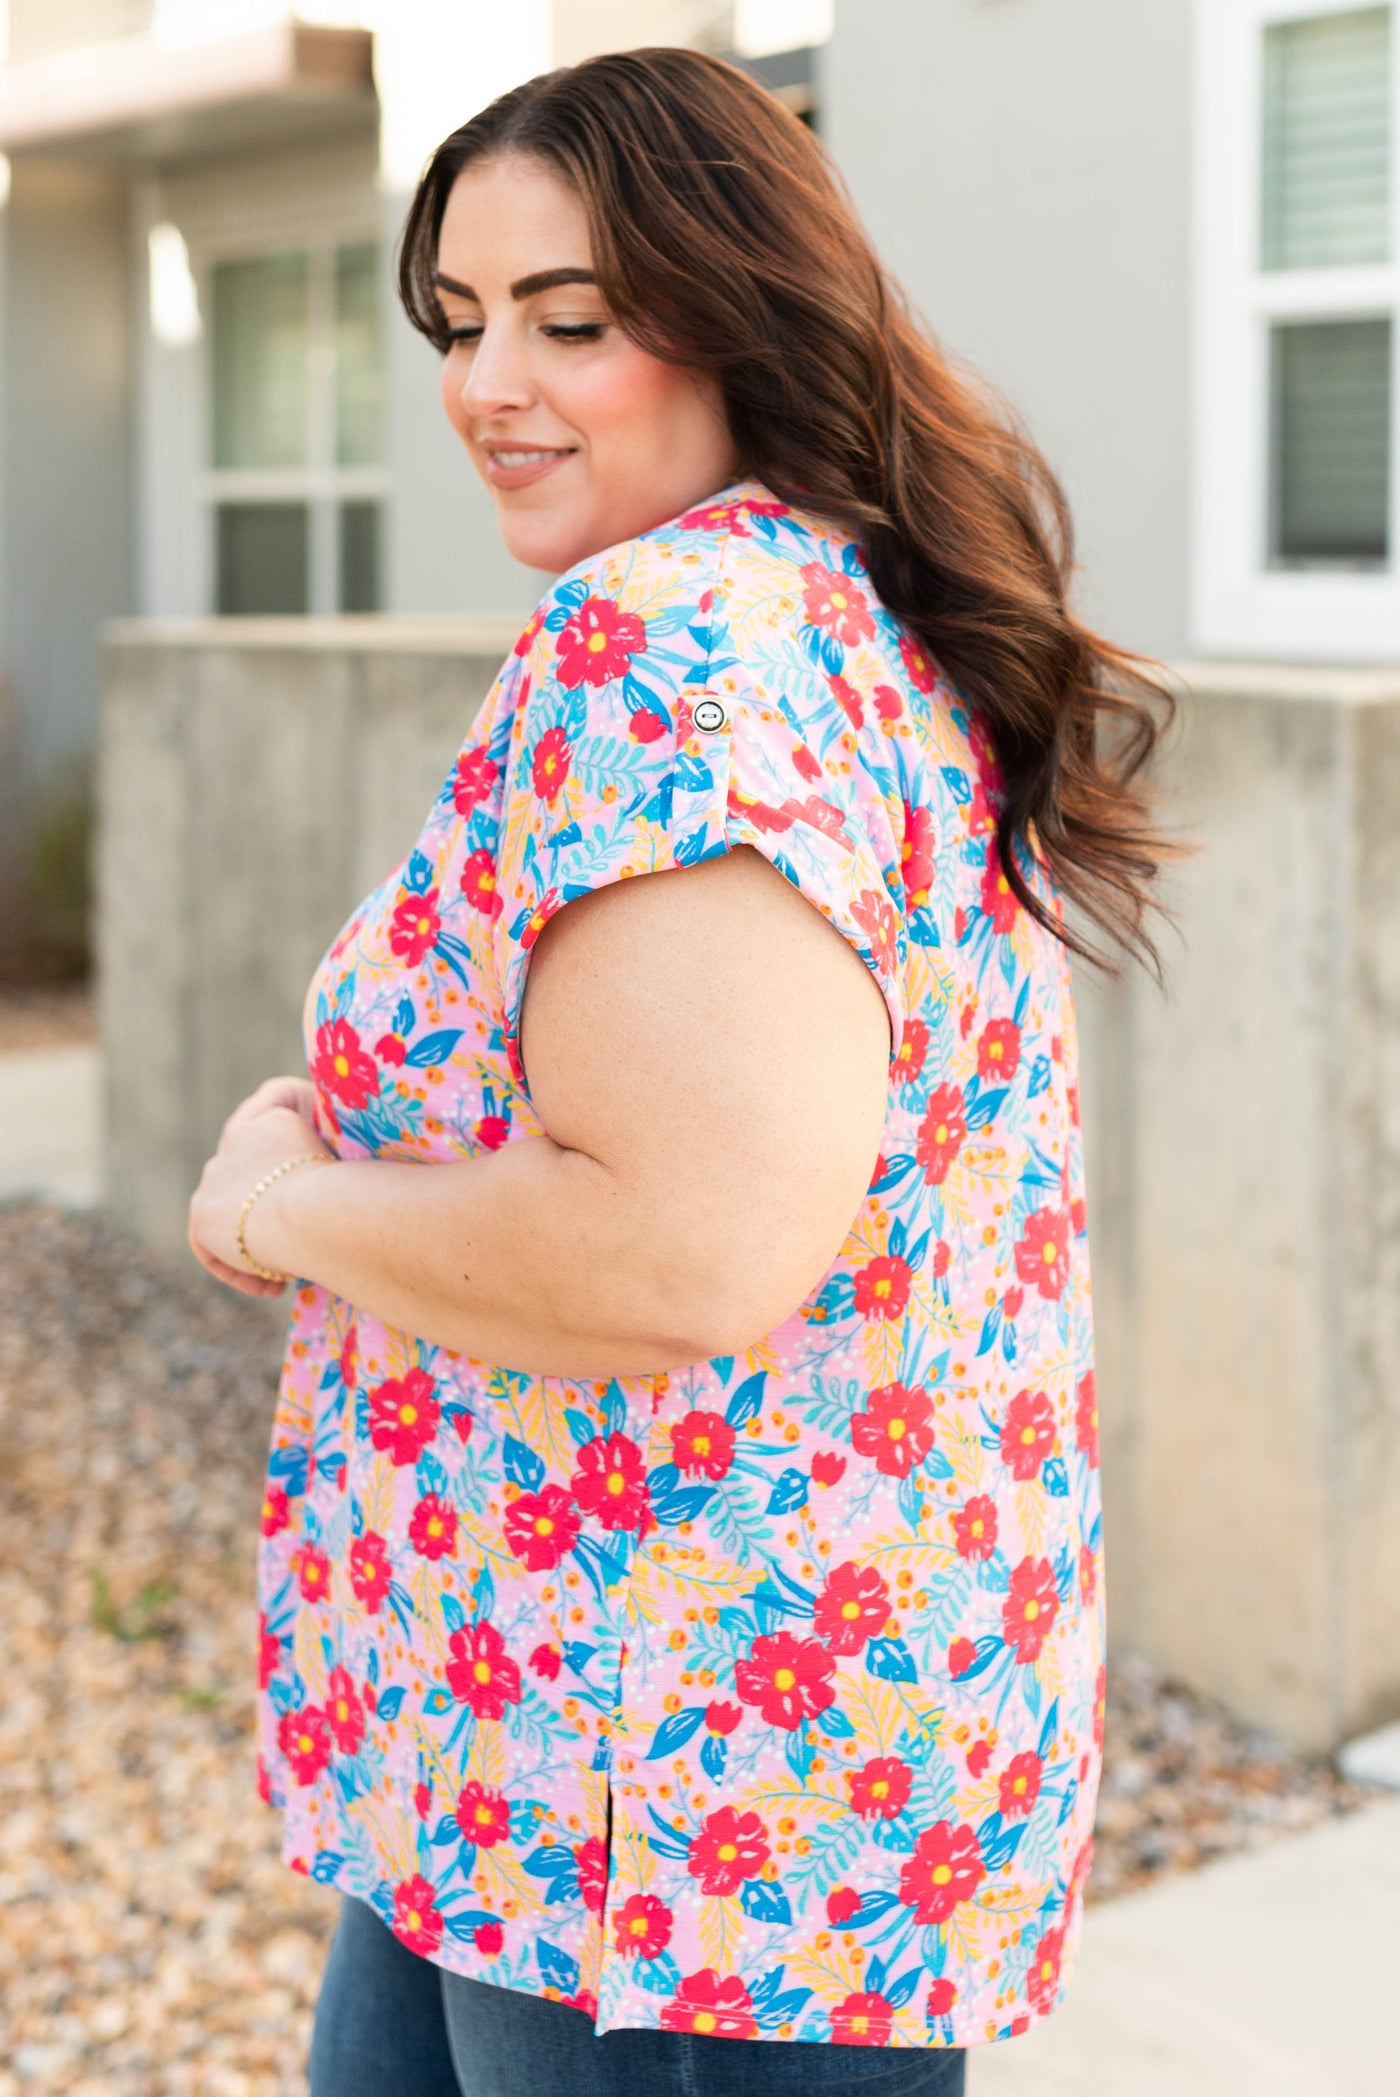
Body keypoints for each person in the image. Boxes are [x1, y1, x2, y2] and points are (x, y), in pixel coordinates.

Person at [188, 46, 1172, 2097]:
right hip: (600, 1748)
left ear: (738, 313)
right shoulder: (835, 609)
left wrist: (280, 1204)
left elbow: (678, 1249)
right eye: (462, 322)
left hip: (665, 1811)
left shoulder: (671, 648)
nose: (487, 385)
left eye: (571, 318)